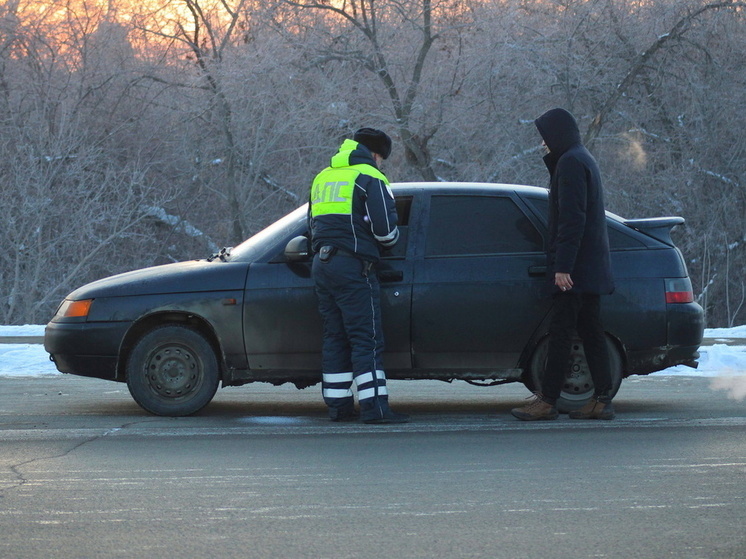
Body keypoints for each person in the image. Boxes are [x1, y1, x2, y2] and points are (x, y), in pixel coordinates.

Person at [511, 108, 616, 421]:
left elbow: (572, 220)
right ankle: (601, 400)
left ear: (557, 134)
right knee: (591, 332)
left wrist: (563, 267)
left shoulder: (570, 162)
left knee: (560, 333)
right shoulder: (580, 157)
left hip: (575, 271)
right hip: (588, 268)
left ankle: (548, 400)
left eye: (545, 136)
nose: (542, 143)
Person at [308, 128, 409, 424]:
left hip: (322, 264)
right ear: (375, 153)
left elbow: (311, 224)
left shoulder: (323, 176)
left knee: (335, 336)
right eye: (381, 158)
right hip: (353, 266)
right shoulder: (370, 177)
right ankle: (375, 409)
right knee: (367, 337)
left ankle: (338, 407)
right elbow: (386, 233)